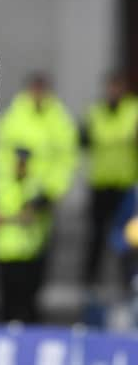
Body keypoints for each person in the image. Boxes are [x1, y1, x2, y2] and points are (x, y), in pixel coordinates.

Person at [0, 74, 78, 323]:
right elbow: (0, 159)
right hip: (11, 201)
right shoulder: (14, 117)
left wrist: (48, 196)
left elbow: (65, 163)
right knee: (6, 287)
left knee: (32, 282)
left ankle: (27, 320)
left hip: (39, 201)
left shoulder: (59, 121)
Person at [81, 72, 138, 289]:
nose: (114, 92)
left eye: (118, 87)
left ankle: (127, 281)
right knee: (96, 235)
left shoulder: (133, 110)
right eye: (111, 87)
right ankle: (91, 282)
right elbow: (83, 140)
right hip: (100, 183)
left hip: (124, 185)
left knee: (128, 236)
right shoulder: (95, 112)